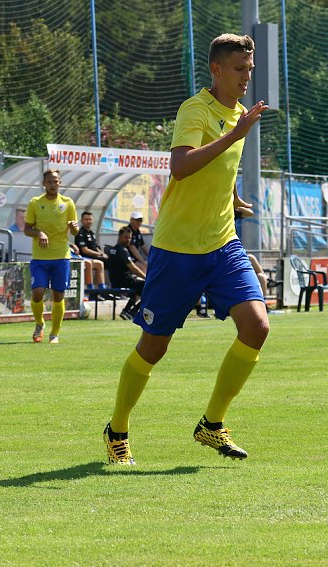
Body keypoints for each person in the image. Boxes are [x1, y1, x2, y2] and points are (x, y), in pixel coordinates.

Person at [103, 33, 269, 465]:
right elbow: (181, 164)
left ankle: (212, 425)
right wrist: (234, 135)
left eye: (250, 69)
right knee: (153, 347)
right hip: (177, 251)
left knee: (257, 327)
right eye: (239, 69)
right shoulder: (196, 110)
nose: (246, 76)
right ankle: (117, 428)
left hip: (222, 244)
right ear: (216, 70)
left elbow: (219, 167)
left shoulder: (238, 117)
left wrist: (231, 196)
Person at [23, 169, 78, 344]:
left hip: (61, 256)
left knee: (58, 296)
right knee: (38, 293)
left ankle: (54, 334)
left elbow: (75, 231)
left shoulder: (68, 203)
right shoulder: (35, 203)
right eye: (49, 182)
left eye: (55, 181)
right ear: (43, 184)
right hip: (40, 257)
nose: (52, 185)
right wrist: (39, 233)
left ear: (60, 182)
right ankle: (40, 323)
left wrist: (74, 227)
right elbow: (27, 228)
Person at [105, 227, 147, 320]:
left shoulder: (113, 249)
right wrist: (146, 278)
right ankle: (133, 312)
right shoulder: (122, 250)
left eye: (130, 238)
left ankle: (126, 311)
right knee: (149, 288)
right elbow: (134, 269)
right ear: (119, 237)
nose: (128, 240)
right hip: (124, 281)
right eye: (126, 237)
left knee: (138, 288)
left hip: (116, 281)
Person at [74, 210, 107, 289]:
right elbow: (84, 250)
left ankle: (102, 289)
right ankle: (90, 290)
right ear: (82, 221)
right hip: (82, 258)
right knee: (93, 263)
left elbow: (95, 247)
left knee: (103, 262)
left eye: (90, 219)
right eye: (86, 219)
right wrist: (98, 254)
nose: (88, 221)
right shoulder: (80, 232)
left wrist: (103, 254)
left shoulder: (91, 233)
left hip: (92, 258)